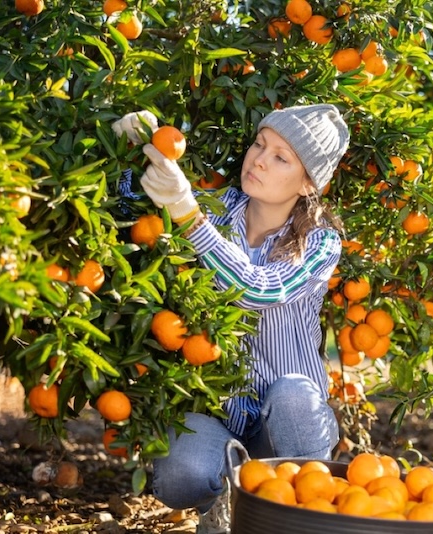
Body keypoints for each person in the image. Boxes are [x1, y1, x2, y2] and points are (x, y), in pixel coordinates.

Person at [112, 104, 350, 533]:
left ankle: (305, 511)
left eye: (281, 157)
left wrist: (188, 215)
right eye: (260, 143)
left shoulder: (320, 242)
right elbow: (134, 210)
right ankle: (230, 509)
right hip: (225, 427)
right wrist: (132, 152)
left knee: (295, 394)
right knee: (178, 466)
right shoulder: (218, 207)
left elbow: (258, 289)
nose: (258, 158)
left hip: (290, 431)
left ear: (310, 182)